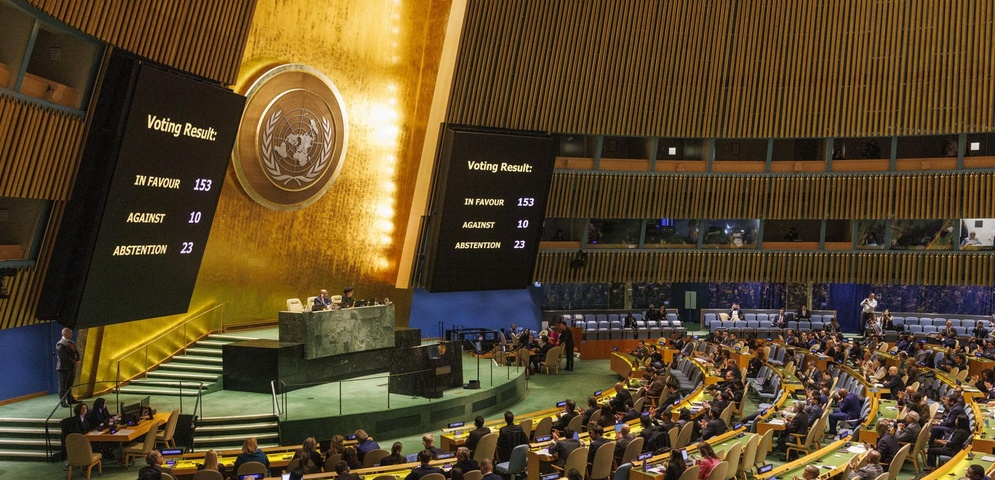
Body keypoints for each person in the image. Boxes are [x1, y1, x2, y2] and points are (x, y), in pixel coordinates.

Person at [56, 327, 81, 407]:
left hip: (72, 368)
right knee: (63, 386)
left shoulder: (72, 342)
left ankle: (70, 399)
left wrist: (78, 360)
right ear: (64, 334)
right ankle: (62, 401)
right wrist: (74, 363)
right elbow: (64, 357)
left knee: (70, 385)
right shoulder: (60, 344)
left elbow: (76, 352)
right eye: (70, 333)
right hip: (63, 368)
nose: (71, 334)